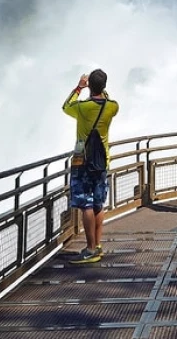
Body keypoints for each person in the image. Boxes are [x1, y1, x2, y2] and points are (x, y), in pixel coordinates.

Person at [62, 68, 119, 264]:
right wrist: (99, 89)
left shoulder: (82, 107)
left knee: (86, 204)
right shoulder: (112, 106)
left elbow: (65, 106)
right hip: (103, 161)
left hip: (83, 162)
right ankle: (98, 243)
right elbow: (107, 98)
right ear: (104, 86)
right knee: (98, 203)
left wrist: (79, 87)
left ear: (90, 86)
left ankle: (90, 248)